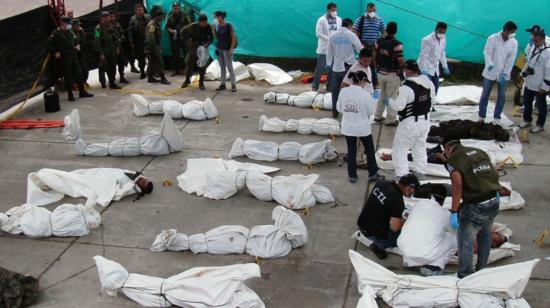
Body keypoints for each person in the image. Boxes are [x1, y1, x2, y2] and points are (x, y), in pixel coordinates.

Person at [443, 139, 501, 278]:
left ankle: (465, 275)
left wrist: (454, 211)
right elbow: (493, 173)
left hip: (476, 205)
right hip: (493, 201)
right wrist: (496, 190)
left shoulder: (453, 161)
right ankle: (481, 269)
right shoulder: (480, 152)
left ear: (448, 147)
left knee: (466, 242)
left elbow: (457, 185)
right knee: (485, 236)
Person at [389, 60, 435, 179]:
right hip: (425, 121)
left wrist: (388, 101)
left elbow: (399, 106)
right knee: (419, 147)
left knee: (400, 150)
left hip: (410, 124)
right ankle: (420, 173)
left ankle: (403, 178)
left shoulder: (407, 87)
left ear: (408, 71)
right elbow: (432, 102)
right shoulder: (429, 83)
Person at [337, 70, 384, 183]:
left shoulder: (343, 91)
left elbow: (339, 108)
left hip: (348, 126)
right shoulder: (365, 94)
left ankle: (352, 175)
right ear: (362, 80)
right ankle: (373, 174)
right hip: (362, 127)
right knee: (369, 150)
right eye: (365, 82)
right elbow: (371, 111)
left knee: (351, 150)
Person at [357, 173, 419, 259]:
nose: (413, 192)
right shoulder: (398, 200)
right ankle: (378, 246)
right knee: (406, 235)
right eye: (413, 190)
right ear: (408, 188)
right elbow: (395, 227)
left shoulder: (382, 183)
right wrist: (405, 220)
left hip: (362, 223)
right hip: (374, 234)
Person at [478, 21, 518, 125]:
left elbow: (511, 59)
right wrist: (489, 63)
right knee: (485, 94)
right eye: (512, 32)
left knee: (501, 96)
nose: (513, 34)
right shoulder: (492, 38)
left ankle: (497, 118)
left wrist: (505, 73)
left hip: (503, 73)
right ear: (505, 30)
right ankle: (481, 116)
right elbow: (487, 52)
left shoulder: (514, 43)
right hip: (490, 71)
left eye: (514, 32)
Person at [49, 16, 93, 101]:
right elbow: (49, 44)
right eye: (68, 24)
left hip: (73, 55)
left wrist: (77, 46)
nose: (69, 25)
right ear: (62, 23)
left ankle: (82, 91)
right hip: (65, 57)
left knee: (78, 73)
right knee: (68, 76)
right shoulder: (56, 33)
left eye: (69, 24)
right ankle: (70, 94)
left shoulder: (70, 32)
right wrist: (55, 52)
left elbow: (75, 40)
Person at [326, 18, 363, 118]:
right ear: (350, 26)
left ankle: (335, 110)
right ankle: (348, 112)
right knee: (349, 91)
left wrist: (328, 64)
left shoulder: (332, 36)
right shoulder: (351, 35)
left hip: (336, 67)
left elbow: (329, 52)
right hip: (348, 68)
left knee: (335, 91)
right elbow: (360, 49)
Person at [519, 30, 550, 133]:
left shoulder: (548, 53)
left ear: (543, 40)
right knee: (527, 103)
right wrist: (522, 74)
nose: (535, 43)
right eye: (534, 41)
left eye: (537, 41)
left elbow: (548, 71)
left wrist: (544, 86)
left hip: (540, 85)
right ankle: (527, 120)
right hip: (529, 82)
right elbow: (528, 61)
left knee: (541, 106)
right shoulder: (533, 47)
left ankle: (540, 125)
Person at [373, 21, 404, 126]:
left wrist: (376, 65)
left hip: (380, 73)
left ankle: (378, 116)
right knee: (391, 97)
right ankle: (391, 119)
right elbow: (400, 60)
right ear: (395, 31)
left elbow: (374, 54)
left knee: (382, 94)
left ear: (386, 29)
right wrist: (402, 70)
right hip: (392, 74)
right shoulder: (397, 44)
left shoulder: (379, 41)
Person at [353, 2, 385, 88]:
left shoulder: (379, 20)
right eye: (370, 10)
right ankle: (359, 82)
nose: (371, 12)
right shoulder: (361, 19)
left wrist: (380, 41)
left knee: (373, 65)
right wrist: (358, 43)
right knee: (361, 64)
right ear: (366, 10)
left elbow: (384, 31)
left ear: (375, 10)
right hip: (363, 46)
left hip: (374, 47)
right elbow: (354, 31)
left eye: (373, 10)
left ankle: (373, 84)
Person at [312, 2, 341, 92]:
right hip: (324, 48)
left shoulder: (339, 19)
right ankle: (314, 87)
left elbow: (339, 32)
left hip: (334, 48)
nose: (334, 12)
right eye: (333, 10)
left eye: (336, 10)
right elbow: (318, 34)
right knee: (320, 68)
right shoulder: (321, 20)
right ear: (328, 10)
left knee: (332, 69)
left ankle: (329, 87)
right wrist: (329, 39)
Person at [180, 14, 214, 90]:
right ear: (199, 22)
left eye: (206, 22)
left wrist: (207, 44)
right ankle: (187, 80)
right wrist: (187, 42)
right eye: (203, 22)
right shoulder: (192, 26)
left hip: (203, 48)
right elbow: (182, 31)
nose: (205, 24)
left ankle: (201, 83)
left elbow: (211, 38)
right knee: (189, 64)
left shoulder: (208, 27)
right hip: (193, 47)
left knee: (202, 66)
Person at [418, 21, 450, 94]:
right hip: (426, 67)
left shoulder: (443, 39)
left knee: (435, 88)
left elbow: (442, 53)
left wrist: (445, 66)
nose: (441, 34)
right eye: (440, 32)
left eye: (443, 32)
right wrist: (423, 69)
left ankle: (433, 103)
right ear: (435, 29)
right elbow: (423, 56)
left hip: (435, 68)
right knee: (427, 89)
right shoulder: (427, 40)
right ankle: (426, 104)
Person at [94, 11, 120, 89]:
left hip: (111, 49)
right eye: (105, 17)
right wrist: (100, 53)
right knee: (102, 67)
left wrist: (117, 47)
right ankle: (103, 82)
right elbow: (96, 42)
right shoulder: (98, 29)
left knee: (112, 67)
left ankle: (112, 82)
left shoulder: (111, 26)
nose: (106, 19)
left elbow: (115, 37)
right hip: (104, 51)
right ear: (102, 18)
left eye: (107, 17)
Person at [213, 11, 238, 92]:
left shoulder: (228, 25)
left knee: (230, 67)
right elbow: (217, 37)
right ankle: (222, 84)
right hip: (219, 48)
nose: (215, 19)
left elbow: (233, 37)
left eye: (215, 17)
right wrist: (214, 30)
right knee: (222, 67)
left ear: (220, 17)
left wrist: (231, 49)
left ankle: (233, 85)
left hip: (227, 49)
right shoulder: (218, 26)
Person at [146, 6, 170, 85]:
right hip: (154, 47)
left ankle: (150, 77)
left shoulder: (156, 23)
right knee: (160, 63)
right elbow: (151, 38)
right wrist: (155, 49)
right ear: (157, 16)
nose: (163, 17)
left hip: (154, 47)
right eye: (162, 16)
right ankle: (163, 78)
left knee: (152, 62)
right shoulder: (152, 25)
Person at [166, 2, 192, 76]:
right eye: (174, 7)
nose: (176, 9)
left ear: (180, 7)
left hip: (183, 38)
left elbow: (190, 26)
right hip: (174, 38)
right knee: (175, 54)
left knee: (186, 53)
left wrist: (185, 31)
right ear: (172, 8)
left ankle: (186, 69)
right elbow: (167, 26)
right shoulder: (170, 16)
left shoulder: (185, 15)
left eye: (177, 7)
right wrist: (170, 30)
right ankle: (176, 70)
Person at [128, 3, 151, 79]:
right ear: (136, 11)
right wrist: (131, 42)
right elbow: (130, 32)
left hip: (147, 39)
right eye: (140, 10)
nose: (142, 11)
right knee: (141, 57)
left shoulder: (148, 17)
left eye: (142, 10)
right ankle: (142, 72)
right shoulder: (133, 19)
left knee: (150, 55)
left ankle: (150, 70)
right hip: (139, 41)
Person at [110, 11, 129, 84]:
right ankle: (111, 80)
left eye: (113, 16)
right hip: (111, 48)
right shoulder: (103, 27)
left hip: (119, 46)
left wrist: (121, 38)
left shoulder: (117, 24)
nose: (113, 18)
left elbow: (122, 33)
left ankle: (122, 76)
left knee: (121, 62)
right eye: (111, 17)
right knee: (112, 65)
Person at [71, 19, 89, 85]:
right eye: (77, 25)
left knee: (85, 70)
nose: (78, 26)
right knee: (77, 71)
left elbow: (84, 41)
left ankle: (84, 81)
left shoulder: (81, 31)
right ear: (73, 25)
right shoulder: (98, 30)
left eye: (79, 25)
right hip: (74, 55)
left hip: (81, 54)